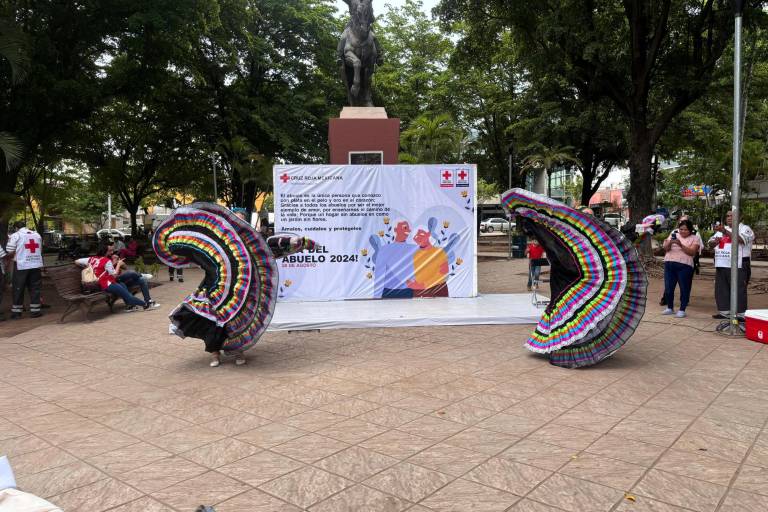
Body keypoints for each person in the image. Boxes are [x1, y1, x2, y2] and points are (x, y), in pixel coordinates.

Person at [75, 244, 159, 312]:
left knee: (126, 290)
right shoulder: (106, 261)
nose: (111, 252)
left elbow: (76, 261)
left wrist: (88, 266)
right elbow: (114, 275)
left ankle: (142, 304)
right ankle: (146, 305)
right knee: (127, 296)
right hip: (108, 283)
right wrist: (118, 264)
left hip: (104, 283)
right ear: (105, 251)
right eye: (110, 251)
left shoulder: (91, 259)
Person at [708, 210, 753, 319]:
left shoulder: (745, 229)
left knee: (739, 289)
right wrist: (715, 242)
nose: (729, 217)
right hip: (722, 263)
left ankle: (741, 315)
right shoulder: (720, 231)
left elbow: (741, 240)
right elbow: (710, 244)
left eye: (732, 216)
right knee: (722, 289)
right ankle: (724, 312)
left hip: (739, 263)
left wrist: (725, 231)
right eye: (727, 215)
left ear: (740, 216)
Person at [661, 219, 700, 318]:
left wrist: (680, 244)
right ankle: (670, 308)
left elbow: (692, 253)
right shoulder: (673, 234)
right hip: (669, 264)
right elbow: (665, 248)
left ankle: (682, 309)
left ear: (690, 230)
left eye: (685, 229)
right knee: (669, 288)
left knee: (684, 288)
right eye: (681, 229)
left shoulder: (695, 238)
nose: (683, 231)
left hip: (685, 266)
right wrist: (670, 243)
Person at [5, 221, 44, 319]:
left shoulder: (16, 235)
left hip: (21, 265)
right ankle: (35, 311)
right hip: (36, 264)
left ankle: (17, 313)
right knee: (35, 287)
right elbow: (40, 249)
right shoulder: (37, 234)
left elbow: (9, 250)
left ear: (16, 228)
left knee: (18, 287)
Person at [373, 220, 417, 298]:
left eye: (408, 229)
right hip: (389, 291)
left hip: (408, 291)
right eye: (404, 228)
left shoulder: (414, 249)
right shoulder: (385, 249)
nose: (407, 230)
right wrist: (376, 296)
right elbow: (379, 273)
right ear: (395, 230)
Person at [409, 227, 449, 298]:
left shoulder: (439, 252)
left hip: (438, 289)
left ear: (428, 234)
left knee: (442, 308)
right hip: (420, 290)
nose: (418, 237)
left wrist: (424, 285)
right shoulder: (415, 255)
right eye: (416, 237)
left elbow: (444, 272)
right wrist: (411, 284)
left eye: (421, 234)